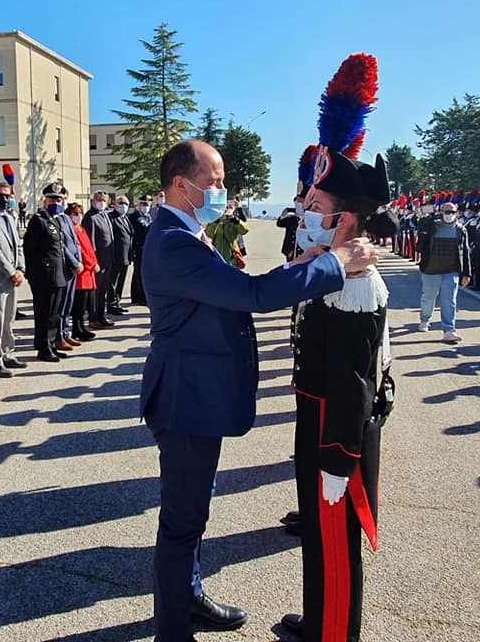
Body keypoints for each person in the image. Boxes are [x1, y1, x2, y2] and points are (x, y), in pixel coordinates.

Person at [140, 139, 378, 642]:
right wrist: (334, 263)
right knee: (182, 520)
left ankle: (188, 593)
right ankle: (172, 629)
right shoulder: (173, 241)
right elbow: (249, 296)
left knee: (194, 508)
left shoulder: (188, 230)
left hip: (198, 393)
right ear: (181, 185)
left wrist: (299, 266)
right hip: (186, 399)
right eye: (214, 181)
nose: (222, 190)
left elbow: (229, 287)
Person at [281, 149, 397, 642]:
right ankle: (319, 618)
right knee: (319, 536)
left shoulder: (355, 283)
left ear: (343, 217)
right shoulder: (334, 268)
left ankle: (334, 634)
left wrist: (340, 456)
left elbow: (357, 381)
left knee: (334, 540)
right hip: (318, 415)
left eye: (315, 201)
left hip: (336, 429)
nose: (306, 208)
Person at [0, 181, 28, 378]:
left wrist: (20, 269)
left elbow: (18, 245)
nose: (4, 198)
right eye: (0, 195)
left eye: (7, 195)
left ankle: (8, 352)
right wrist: (11, 271)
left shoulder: (10, 218)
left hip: (13, 277)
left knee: (9, 318)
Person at [22, 183, 69, 362]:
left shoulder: (55, 220)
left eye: (58, 199)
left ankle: (51, 344)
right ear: (45, 200)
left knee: (54, 314)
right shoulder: (38, 220)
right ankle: (43, 348)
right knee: (44, 313)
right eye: (52, 199)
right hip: (43, 276)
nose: (56, 202)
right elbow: (29, 249)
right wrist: (33, 273)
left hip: (58, 275)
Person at [416, 202, 471, 343]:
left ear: (457, 212)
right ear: (440, 212)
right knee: (428, 297)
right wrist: (424, 223)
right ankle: (425, 319)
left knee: (449, 301)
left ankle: (449, 330)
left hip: (450, 270)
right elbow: (420, 246)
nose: (449, 214)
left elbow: (465, 252)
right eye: (446, 211)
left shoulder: (461, 230)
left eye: (452, 211)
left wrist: (467, 273)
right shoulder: (432, 226)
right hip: (431, 270)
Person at [54, 186, 84, 351]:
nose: (62, 201)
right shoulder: (55, 219)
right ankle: (59, 336)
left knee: (69, 303)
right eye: (58, 198)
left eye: (63, 198)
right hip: (65, 267)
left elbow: (74, 242)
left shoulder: (66, 218)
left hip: (74, 268)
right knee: (61, 303)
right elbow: (62, 246)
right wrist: (74, 263)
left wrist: (79, 261)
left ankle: (66, 332)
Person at [83, 190, 115, 329]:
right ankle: (93, 318)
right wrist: (94, 261)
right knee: (96, 292)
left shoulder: (104, 215)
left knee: (103, 291)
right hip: (98, 261)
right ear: (93, 201)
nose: (102, 203)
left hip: (108, 259)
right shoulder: (90, 217)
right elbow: (90, 243)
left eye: (104, 200)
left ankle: (101, 316)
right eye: (99, 200)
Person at [68, 202, 99, 342]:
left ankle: (81, 326)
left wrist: (95, 262)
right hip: (82, 271)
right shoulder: (72, 230)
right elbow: (80, 251)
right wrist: (91, 264)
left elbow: (90, 248)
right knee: (79, 304)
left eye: (80, 213)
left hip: (89, 271)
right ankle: (76, 328)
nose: (78, 216)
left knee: (85, 302)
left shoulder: (81, 229)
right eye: (75, 213)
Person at [107, 194, 134, 315]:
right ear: (115, 204)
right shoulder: (111, 218)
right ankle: (111, 304)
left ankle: (117, 302)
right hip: (115, 255)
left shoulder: (125, 218)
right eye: (121, 203)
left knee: (121, 281)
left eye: (126, 204)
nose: (124, 206)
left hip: (125, 255)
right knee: (113, 281)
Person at [128, 195, 154, 306]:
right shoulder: (134, 217)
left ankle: (139, 296)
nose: (145, 206)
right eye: (144, 204)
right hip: (138, 248)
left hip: (147, 248)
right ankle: (138, 296)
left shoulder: (148, 217)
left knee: (142, 273)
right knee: (138, 272)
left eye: (148, 205)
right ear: (139, 205)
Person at [277, 197, 302, 262]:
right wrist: (283, 214)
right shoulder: (291, 218)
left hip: (303, 249)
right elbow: (279, 223)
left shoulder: (308, 218)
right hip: (290, 248)